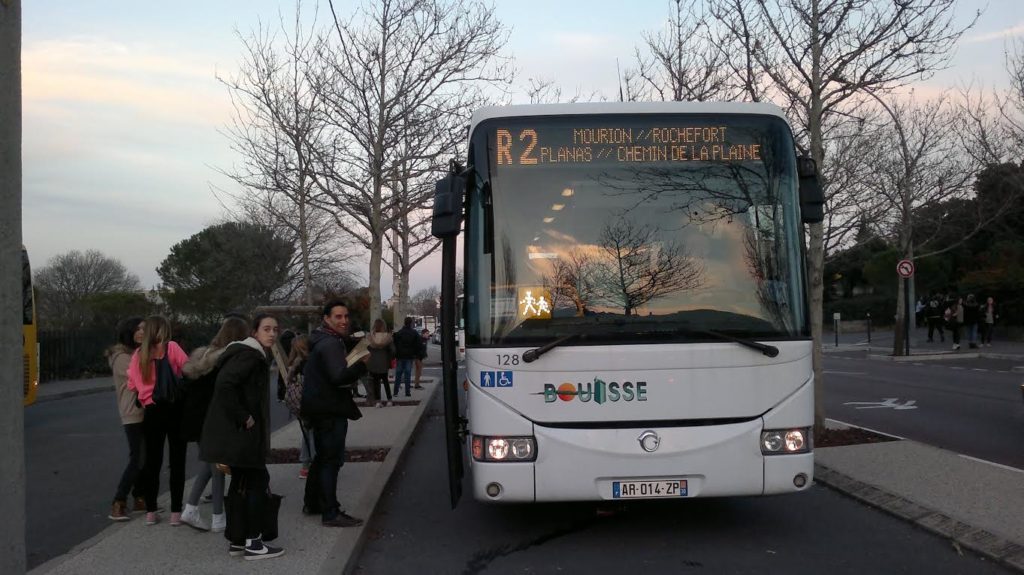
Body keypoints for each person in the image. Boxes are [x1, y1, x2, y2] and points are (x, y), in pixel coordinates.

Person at [199, 313, 284, 560]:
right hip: (243, 436)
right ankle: (254, 543)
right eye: (266, 329)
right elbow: (225, 385)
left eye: (275, 329)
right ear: (254, 332)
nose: (272, 333)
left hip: (236, 437)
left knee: (240, 485)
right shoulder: (250, 355)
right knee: (257, 482)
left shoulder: (247, 354)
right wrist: (243, 416)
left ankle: (238, 540)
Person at [179, 315, 251, 532]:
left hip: (197, 418)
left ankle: (194, 509)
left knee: (212, 465)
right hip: (213, 419)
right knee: (217, 466)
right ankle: (216, 517)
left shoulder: (205, 356)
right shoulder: (227, 359)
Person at [301, 300, 368, 527]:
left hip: (319, 408)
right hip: (329, 409)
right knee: (331, 460)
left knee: (321, 458)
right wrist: (361, 365)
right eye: (338, 317)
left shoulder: (323, 340)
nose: (344, 321)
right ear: (326, 319)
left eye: (346, 316)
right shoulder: (330, 344)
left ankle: (313, 503)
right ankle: (330, 512)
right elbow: (338, 376)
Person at [127, 315, 189, 526]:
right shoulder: (171, 348)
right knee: (177, 460)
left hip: (152, 411)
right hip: (174, 408)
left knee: (153, 462)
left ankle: (151, 511)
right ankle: (175, 513)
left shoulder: (138, 354)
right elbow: (188, 369)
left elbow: (131, 385)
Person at [106, 317, 146, 521]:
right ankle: (118, 501)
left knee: (143, 458)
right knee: (137, 458)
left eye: (146, 329)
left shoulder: (135, 354)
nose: (143, 332)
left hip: (143, 412)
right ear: (129, 332)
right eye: (139, 329)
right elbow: (144, 374)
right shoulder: (122, 357)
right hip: (132, 413)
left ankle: (140, 498)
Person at [283, 335, 316, 479]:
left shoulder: (292, 364)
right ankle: (313, 463)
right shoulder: (309, 362)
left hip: (297, 403)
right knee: (313, 433)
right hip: (310, 402)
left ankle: (305, 466)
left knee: (306, 432)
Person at [366, 319, 395, 408]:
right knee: (386, 382)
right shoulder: (388, 337)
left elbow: (366, 349)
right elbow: (393, 351)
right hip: (384, 362)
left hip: (373, 363)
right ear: (383, 326)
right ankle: (389, 400)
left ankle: (378, 401)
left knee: (375, 382)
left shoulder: (370, 337)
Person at [392, 317, 420, 398]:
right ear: (411, 323)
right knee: (408, 374)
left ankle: (395, 392)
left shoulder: (399, 333)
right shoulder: (414, 333)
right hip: (409, 356)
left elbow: (394, 343)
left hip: (400, 356)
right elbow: (418, 344)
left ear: (404, 323)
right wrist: (415, 353)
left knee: (398, 374)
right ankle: (407, 392)